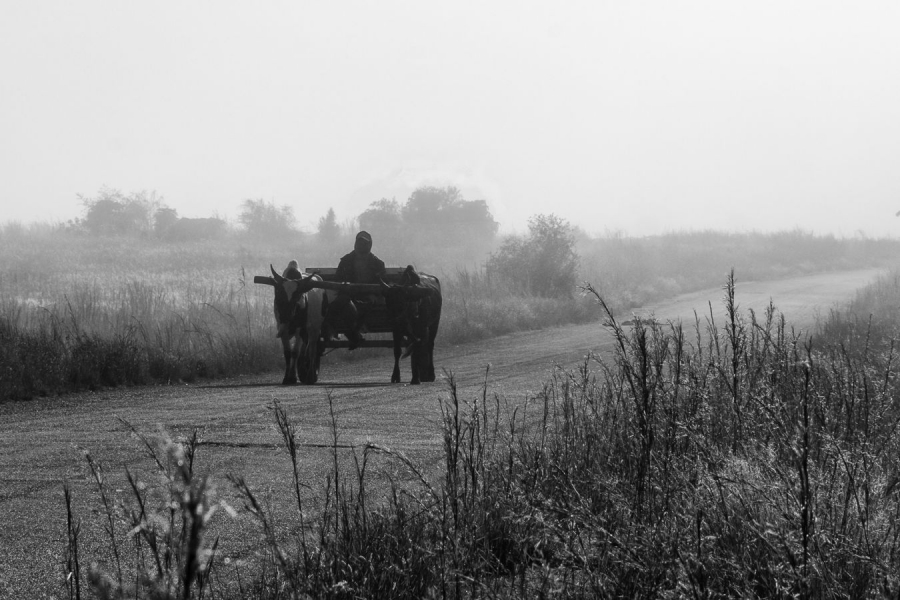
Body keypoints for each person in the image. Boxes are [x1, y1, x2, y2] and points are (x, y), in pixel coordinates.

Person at [328, 231, 386, 349]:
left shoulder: (378, 263)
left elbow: (382, 283)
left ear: (369, 245)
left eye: (364, 243)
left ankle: (351, 334)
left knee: (364, 305)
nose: (362, 245)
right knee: (340, 303)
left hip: (369, 296)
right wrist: (344, 287)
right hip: (348, 296)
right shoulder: (346, 261)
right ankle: (336, 331)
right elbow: (337, 279)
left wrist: (375, 294)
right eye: (360, 242)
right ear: (355, 243)